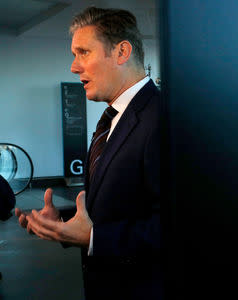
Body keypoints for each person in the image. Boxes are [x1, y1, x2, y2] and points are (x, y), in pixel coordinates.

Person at [15, 7, 168, 299]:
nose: (74, 67)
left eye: (83, 52)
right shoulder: (112, 118)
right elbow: (126, 203)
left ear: (122, 51)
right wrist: (64, 223)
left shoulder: (163, 119)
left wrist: (95, 237)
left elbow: (182, 226)